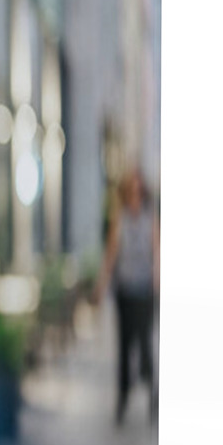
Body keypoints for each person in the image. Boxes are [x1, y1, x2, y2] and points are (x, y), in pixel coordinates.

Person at [93, 167, 160, 426]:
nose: (134, 195)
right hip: (125, 291)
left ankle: (153, 389)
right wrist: (101, 285)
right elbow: (111, 255)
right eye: (130, 190)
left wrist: (157, 278)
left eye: (138, 190)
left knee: (145, 345)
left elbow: (157, 251)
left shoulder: (149, 218)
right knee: (124, 346)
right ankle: (122, 398)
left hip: (145, 291)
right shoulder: (119, 218)